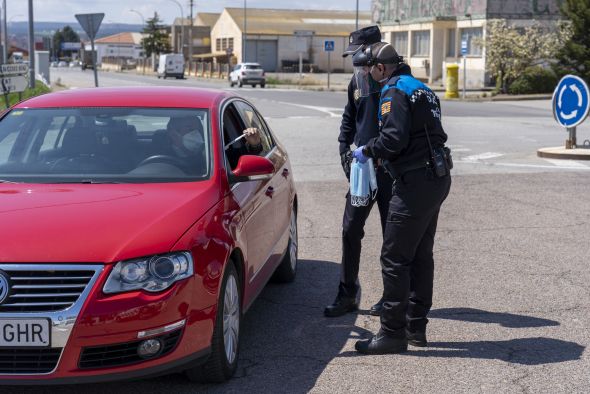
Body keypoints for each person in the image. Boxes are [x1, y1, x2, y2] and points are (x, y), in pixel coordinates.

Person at [351, 42, 452, 354]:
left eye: (369, 69)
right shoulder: (419, 87)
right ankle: (415, 328)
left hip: (416, 182)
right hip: (436, 177)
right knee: (421, 254)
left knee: (395, 257)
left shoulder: (394, 91)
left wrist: (366, 150)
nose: (366, 75)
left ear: (382, 67)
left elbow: (393, 140)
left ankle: (393, 333)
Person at [324, 25, 394, 318]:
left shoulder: (397, 80)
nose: (357, 63)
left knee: (394, 237)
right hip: (363, 171)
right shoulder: (356, 82)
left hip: (391, 172)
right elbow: (349, 119)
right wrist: (343, 149)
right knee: (350, 230)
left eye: (359, 55)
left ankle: (391, 298)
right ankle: (347, 294)